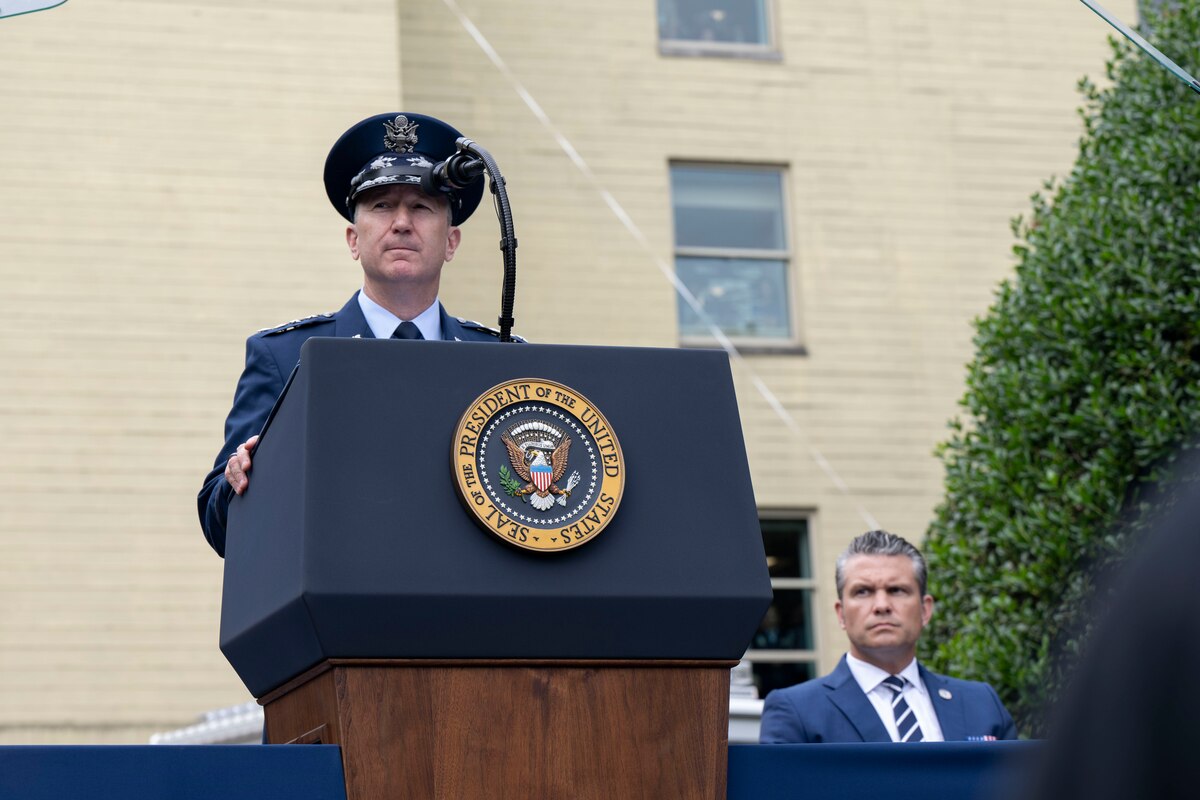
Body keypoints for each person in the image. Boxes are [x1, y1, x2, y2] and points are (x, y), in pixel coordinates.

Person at [197, 112, 521, 557]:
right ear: (353, 239)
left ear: (451, 242)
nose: (402, 223)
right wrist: (243, 482)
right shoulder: (285, 355)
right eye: (382, 206)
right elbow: (221, 527)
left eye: (422, 207)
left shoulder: (501, 357)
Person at [759, 530, 1017, 743]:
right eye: (863, 592)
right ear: (841, 614)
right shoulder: (796, 712)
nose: (881, 605)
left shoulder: (981, 703)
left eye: (897, 590)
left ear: (925, 609)